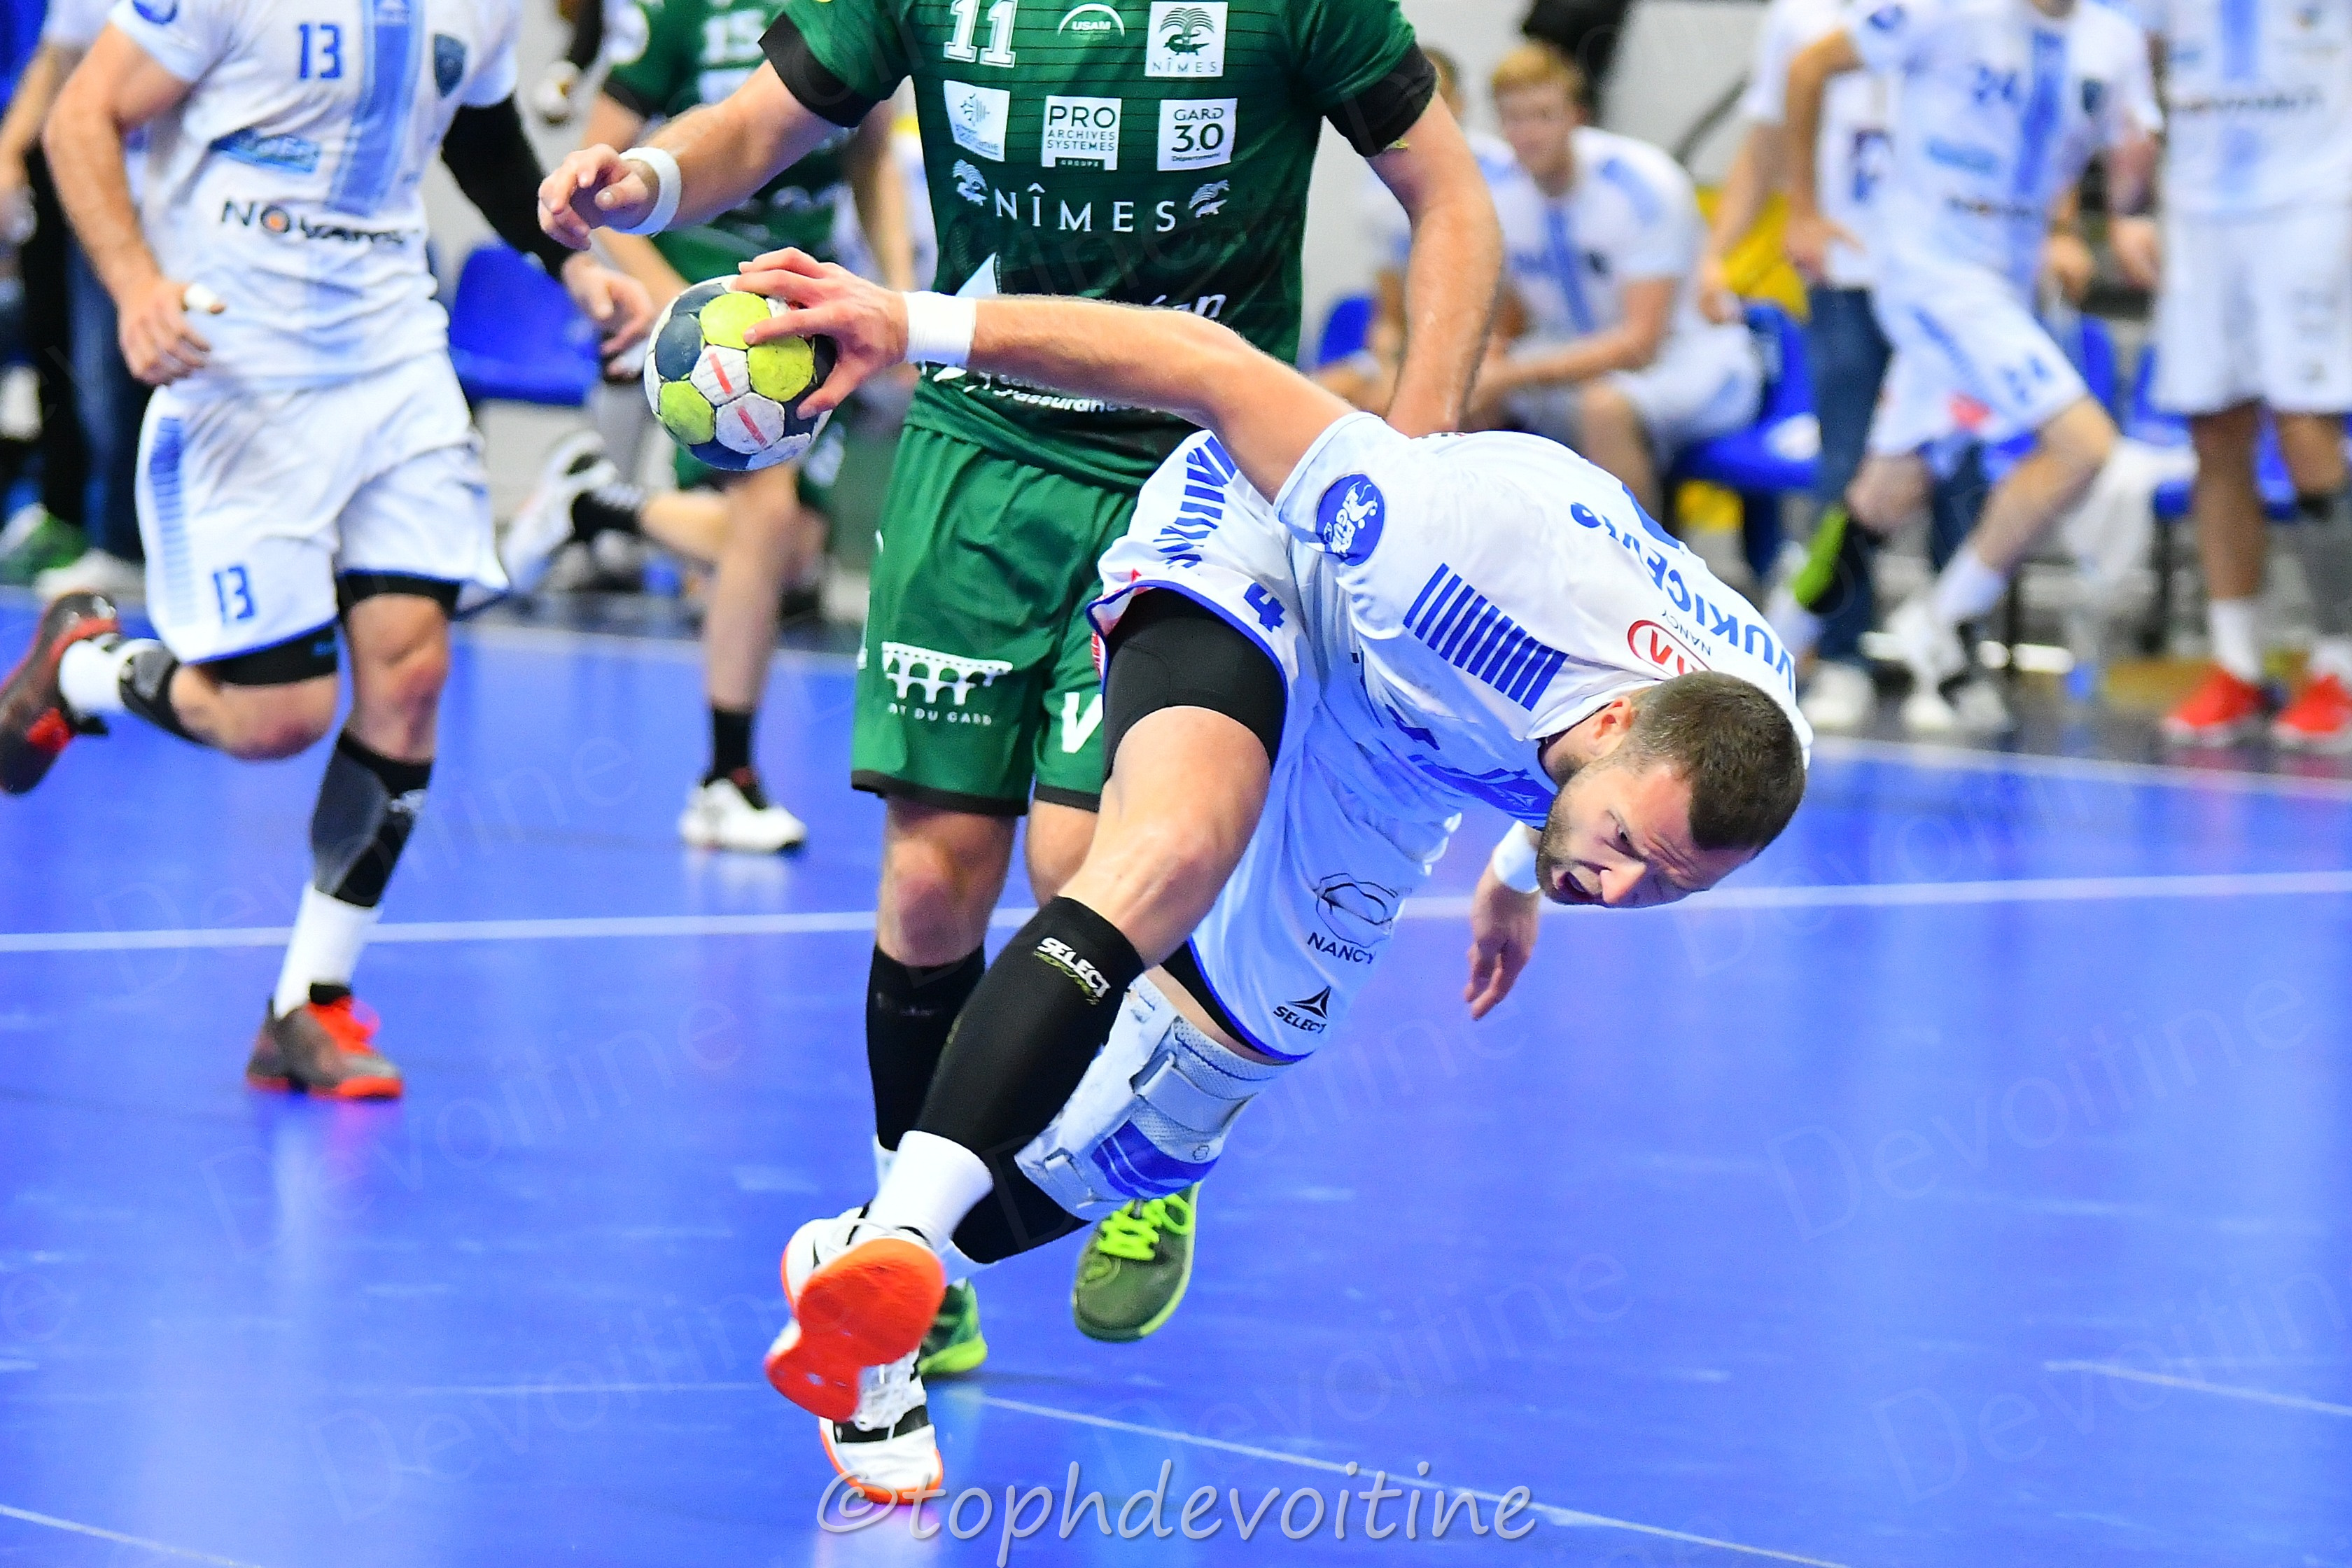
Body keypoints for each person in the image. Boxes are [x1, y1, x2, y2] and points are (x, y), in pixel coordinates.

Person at [726, 249, 1809, 1502]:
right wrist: (905, 321)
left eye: (1663, 889)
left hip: (1402, 750)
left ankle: (863, 1262)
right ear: (1617, 720)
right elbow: (1206, 365)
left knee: (1195, 1095)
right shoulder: (1452, 557)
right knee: (1175, 851)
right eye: (1621, 853)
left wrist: (1529, 869)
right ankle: (907, 1246)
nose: (1617, 893)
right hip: (1274, 550)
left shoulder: (1742, 745)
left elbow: (1627, 815)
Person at [538, 0, 1503, 1380]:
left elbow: (1451, 196)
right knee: (931, 881)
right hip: (979, 451)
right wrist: (651, 179)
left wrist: (1404, 464)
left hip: (1192, 469)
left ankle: (1156, 1141)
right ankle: (910, 1251)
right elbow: (762, 122)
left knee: (1088, 868)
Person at [0, 0, 650, 1094]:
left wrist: (573, 265)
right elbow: (82, 116)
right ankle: (82, 668)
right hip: (238, 362)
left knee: (413, 672)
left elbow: (481, 134)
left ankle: (310, 1002)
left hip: (395, 358)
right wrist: (136, 286)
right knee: (275, 720)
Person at [500, 0, 913, 853]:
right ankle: (726, 778)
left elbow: (871, 155)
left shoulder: (854, 14)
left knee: (786, 550)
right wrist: (672, 310)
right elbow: (606, 171)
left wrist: (902, 296)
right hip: (714, 316)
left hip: (806, 301)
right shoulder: (682, 14)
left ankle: (596, 506)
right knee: (764, 518)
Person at [1782, 0, 2159, 733]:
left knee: (1885, 491)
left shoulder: (2113, 40)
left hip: (2008, 283)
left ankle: (1773, 638)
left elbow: (2118, 153)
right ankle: (1944, 620)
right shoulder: (1945, 11)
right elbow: (1810, 68)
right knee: (2084, 445)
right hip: (1931, 276)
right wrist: (1803, 208)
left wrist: (2119, 215)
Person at [2128, 0, 2352, 750]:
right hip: (2199, 209)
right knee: (2214, 429)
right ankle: (2238, 665)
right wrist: (2129, 203)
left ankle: (2343, 665)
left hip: (2315, 198)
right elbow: (2127, 56)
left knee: (2305, 424)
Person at [1469, 43, 1762, 519]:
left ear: (1578, 117)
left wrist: (1512, 374)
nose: (1528, 134)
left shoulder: (1642, 185)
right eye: (1514, 119)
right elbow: (1509, 318)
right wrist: (1489, 363)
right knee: (1466, 394)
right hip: (1572, 356)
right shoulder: (1497, 192)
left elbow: (1640, 345)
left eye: (1543, 116)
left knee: (1603, 407)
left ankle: (1637, 562)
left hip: (1689, 361)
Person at [4, 0, 148, 603]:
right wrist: (10, 153)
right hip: (106, 197)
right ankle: (120, 542)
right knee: (100, 381)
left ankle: (138, 544)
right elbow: (59, 60)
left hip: (191, 208)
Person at [1319, 46, 1515, 415]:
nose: (1419, 110)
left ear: (1459, 104)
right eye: (1407, 100)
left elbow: (1510, 315)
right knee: (1316, 399)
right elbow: (1391, 314)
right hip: (1415, 347)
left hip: (1491, 348)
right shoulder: (1379, 189)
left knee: (1404, 405)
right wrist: (1390, 365)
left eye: (1434, 98)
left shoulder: (1506, 177)